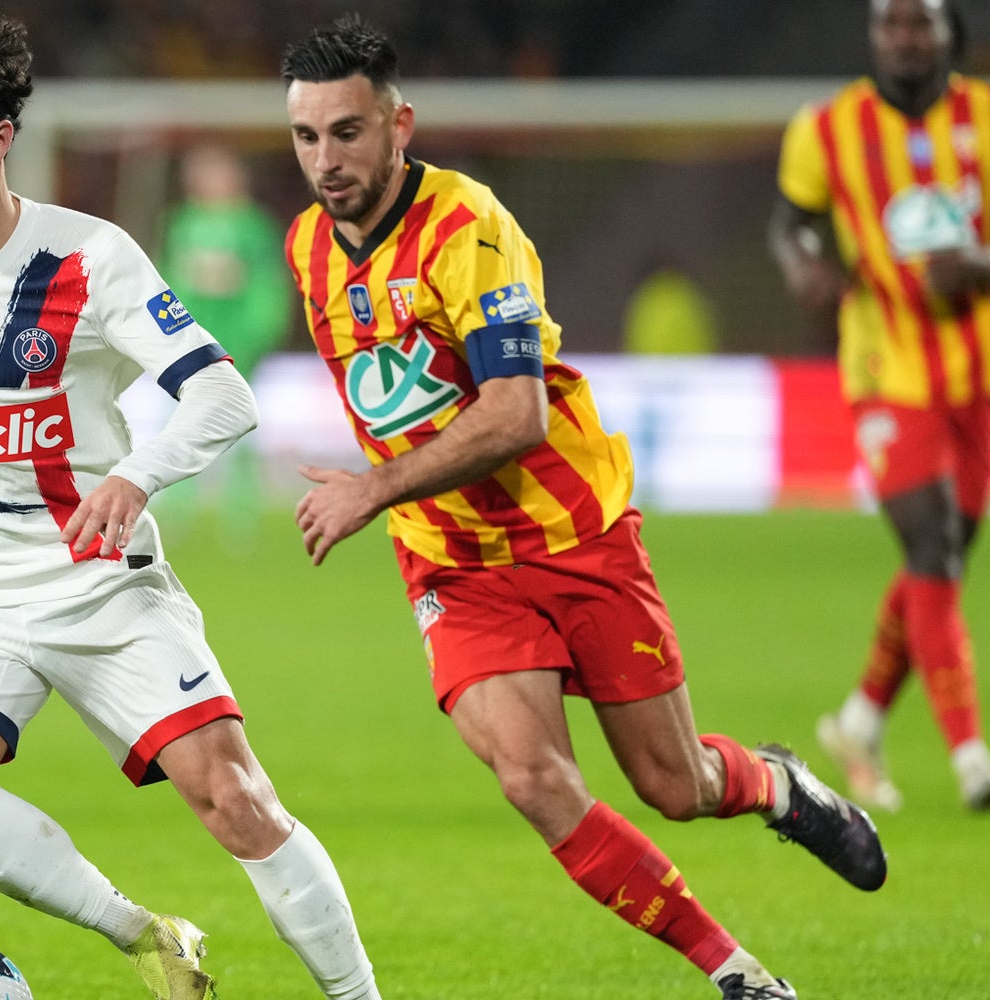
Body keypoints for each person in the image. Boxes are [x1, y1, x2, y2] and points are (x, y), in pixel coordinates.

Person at [276, 17, 888, 1000]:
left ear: (399, 124)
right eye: (305, 137)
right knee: (531, 779)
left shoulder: (467, 229)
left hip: (572, 534)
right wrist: (392, 497)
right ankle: (737, 974)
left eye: (346, 132)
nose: (324, 160)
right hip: (454, 566)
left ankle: (773, 782)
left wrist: (372, 488)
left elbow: (513, 415)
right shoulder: (307, 248)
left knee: (671, 784)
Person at [0, 18, 382, 1000]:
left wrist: (136, 473)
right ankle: (143, 932)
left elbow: (222, 395)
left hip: (97, 578)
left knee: (233, 797)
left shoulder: (91, 259)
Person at [769, 0, 990, 814]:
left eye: (921, 23)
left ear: (950, 32)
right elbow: (791, 224)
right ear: (875, 34)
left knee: (943, 556)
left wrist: (986, 259)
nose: (905, 37)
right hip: (882, 362)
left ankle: (861, 720)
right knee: (933, 545)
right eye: (891, 24)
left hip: (978, 365)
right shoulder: (828, 126)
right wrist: (801, 266)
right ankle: (970, 753)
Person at [156, 144, 295, 532]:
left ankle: (242, 505)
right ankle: (179, 503)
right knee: (181, 415)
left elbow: (269, 282)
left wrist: (260, 327)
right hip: (193, 338)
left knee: (241, 417)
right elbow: (167, 280)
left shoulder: (253, 225)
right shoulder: (183, 222)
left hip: (237, 337)